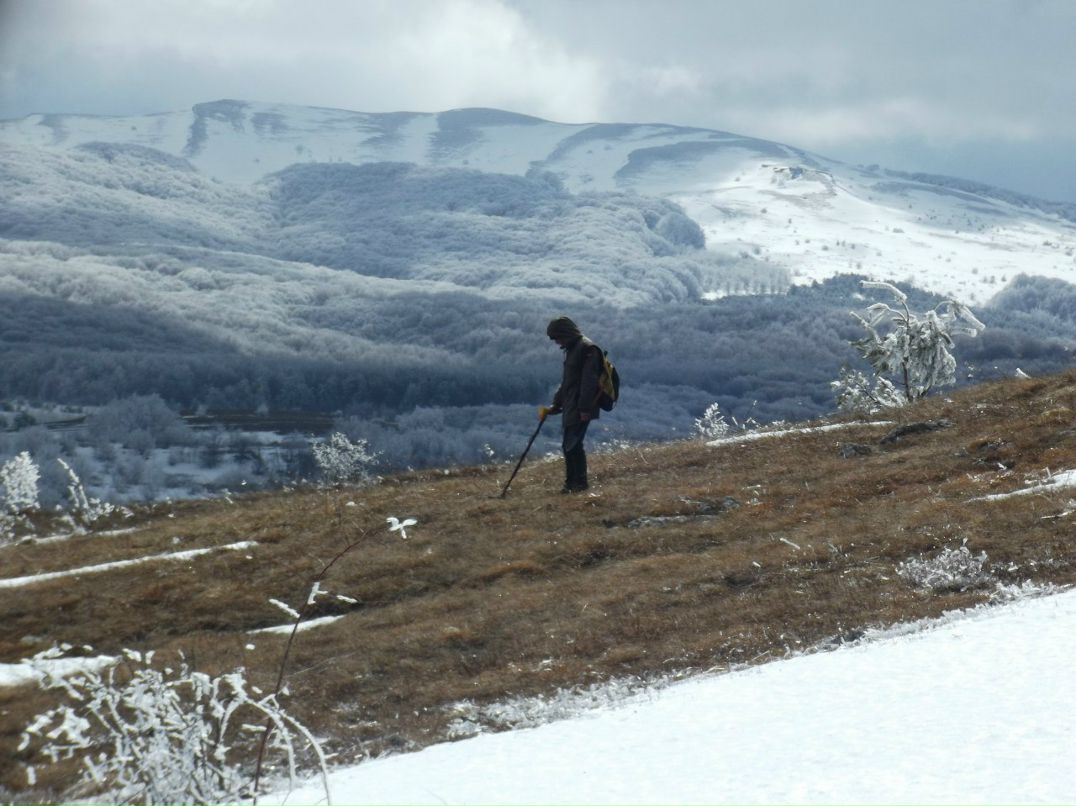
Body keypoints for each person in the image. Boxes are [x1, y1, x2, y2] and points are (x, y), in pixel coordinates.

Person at [540, 316, 603, 494]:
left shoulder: (587, 349)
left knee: (572, 445)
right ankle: (573, 483)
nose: (556, 342)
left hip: (580, 406)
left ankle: (577, 484)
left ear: (565, 333)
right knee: (570, 445)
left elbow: (588, 382)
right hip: (572, 404)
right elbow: (568, 381)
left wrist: (584, 409)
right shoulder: (573, 348)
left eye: (556, 337)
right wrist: (556, 403)